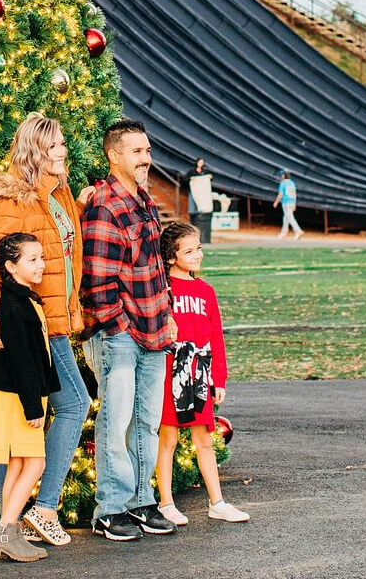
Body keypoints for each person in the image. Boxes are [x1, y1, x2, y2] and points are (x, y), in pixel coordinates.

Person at [0, 113, 94, 547]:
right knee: (69, 406)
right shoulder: (13, 201)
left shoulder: (59, 194)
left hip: (55, 320)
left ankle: (12, 521)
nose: (63, 152)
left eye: (62, 144)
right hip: (30, 325)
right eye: (54, 146)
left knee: (26, 423)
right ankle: (39, 508)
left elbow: (64, 251)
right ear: (36, 151)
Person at [81, 119, 179, 541]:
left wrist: (168, 314)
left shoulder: (145, 201)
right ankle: (110, 508)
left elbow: (156, 267)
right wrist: (119, 328)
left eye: (148, 150)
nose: (146, 158)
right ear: (114, 156)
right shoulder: (105, 204)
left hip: (155, 330)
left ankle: (141, 501)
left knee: (147, 422)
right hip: (121, 334)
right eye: (137, 152)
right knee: (116, 420)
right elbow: (98, 280)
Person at [156, 221, 250, 525]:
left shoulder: (205, 291)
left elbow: (216, 336)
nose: (198, 254)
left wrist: (218, 378)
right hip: (171, 369)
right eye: (190, 250)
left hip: (199, 370)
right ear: (171, 256)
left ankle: (217, 501)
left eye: (199, 248)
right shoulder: (162, 289)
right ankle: (166, 503)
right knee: (168, 439)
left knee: (204, 439)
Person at [0, 234, 58, 563]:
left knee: (17, 463)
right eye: (32, 259)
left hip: (22, 395)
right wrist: (32, 405)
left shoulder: (26, 299)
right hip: (20, 396)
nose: (41, 264)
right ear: (11, 267)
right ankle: (4, 530)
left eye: (41, 258)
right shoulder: (13, 305)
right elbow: (22, 359)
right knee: (36, 463)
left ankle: (5, 533)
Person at [184, 158, 214, 244]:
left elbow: (210, 179)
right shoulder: (192, 171)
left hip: (203, 195)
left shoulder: (205, 171)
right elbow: (186, 179)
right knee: (193, 208)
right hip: (194, 193)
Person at [273, 169, 303, 239]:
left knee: (289, 217)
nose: (281, 176)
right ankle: (284, 233)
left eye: (282, 175)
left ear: (284, 175)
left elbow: (280, 194)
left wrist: (276, 202)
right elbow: (294, 194)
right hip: (291, 202)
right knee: (286, 217)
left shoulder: (283, 183)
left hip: (286, 202)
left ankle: (298, 230)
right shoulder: (292, 183)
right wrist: (294, 204)